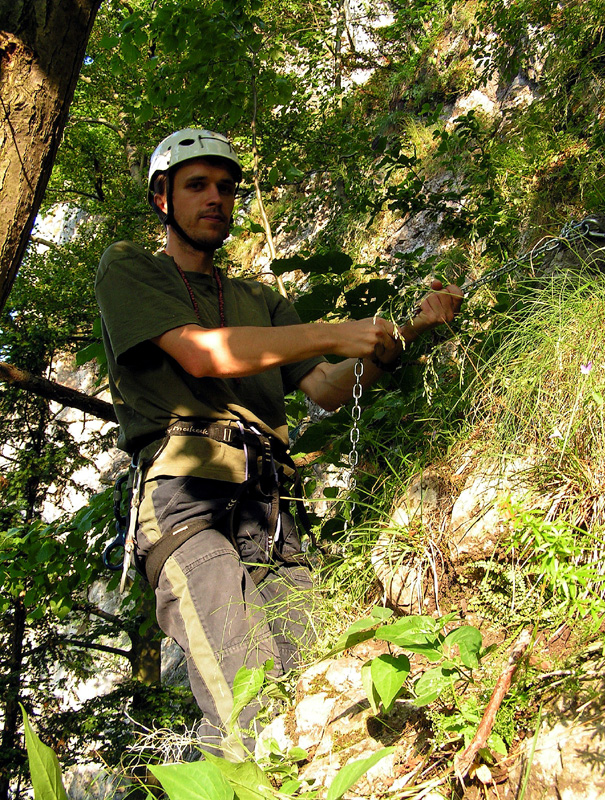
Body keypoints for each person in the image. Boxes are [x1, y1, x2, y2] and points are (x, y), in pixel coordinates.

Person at [95, 128, 462, 759]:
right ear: (162, 197)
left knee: (320, 685)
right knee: (247, 696)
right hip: (186, 505)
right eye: (197, 185)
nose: (217, 198)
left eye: (226, 187)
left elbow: (326, 387)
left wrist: (404, 337)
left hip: (271, 513)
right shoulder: (129, 267)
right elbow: (202, 354)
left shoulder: (258, 299)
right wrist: (334, 330)